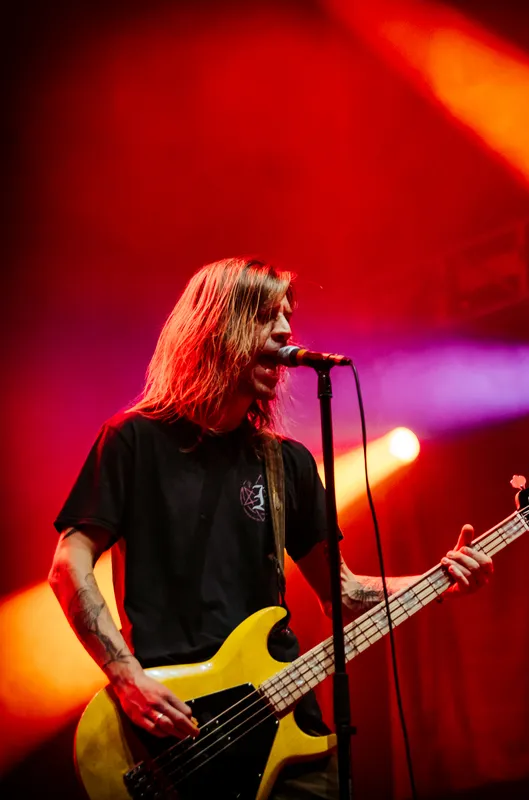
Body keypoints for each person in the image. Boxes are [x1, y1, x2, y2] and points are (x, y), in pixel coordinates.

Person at [48, 258, 494, 799]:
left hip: (283, 726)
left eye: (287, 316)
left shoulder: (286, 463)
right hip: (172, 733)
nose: (285, 331)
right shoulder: (132, 441)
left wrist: (439, 579)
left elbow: (343, 593)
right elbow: (68, 565)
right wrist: (126, 676)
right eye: (265, 315)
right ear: (214, 328)